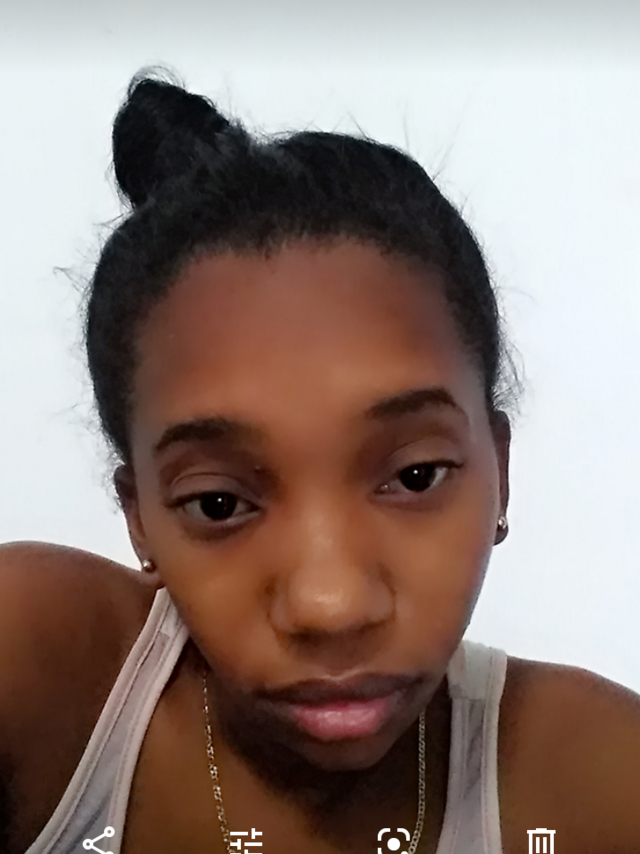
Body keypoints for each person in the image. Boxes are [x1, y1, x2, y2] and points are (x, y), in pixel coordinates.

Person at [1, 71, 639, 854]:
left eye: (414, 476)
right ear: (140, 519)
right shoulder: (41, 680)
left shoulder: (598, 783)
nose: (330, 607)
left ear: (498, 472)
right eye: (217, 503)